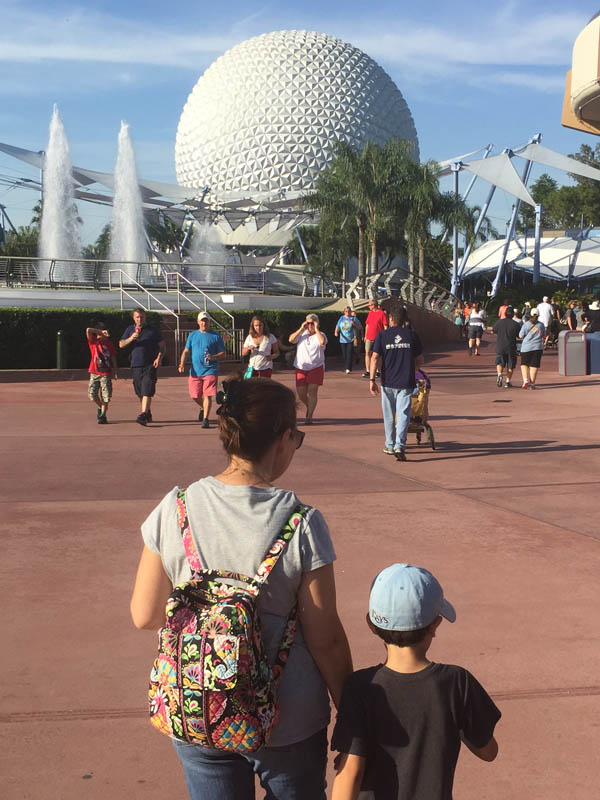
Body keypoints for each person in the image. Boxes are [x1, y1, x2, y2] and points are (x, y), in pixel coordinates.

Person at [130, 377, 353, 800]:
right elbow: (326, 641)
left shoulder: (174, 507)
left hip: (199, 705)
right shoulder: (300, 522)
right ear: (284, 438)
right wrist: (353, 713)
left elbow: (144, 614)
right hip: (288, 717)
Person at [331, 563, 500, 800]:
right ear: (435, 625)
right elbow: (488, 751)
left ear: (372, 625)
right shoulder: (456, 683)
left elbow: (350, 772)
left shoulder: (359, 687)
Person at [369, 305, 423, 462]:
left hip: (388, 381)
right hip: (406, 381)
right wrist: (411, 369)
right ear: (404, 320)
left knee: (389, 415)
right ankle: (400, 444)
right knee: (403, 414)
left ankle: (390, 444)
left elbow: (374, 358)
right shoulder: (412, 336)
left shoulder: (382, 335)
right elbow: (420, 360)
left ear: (390, 319)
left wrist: (372, 379)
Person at [178, 311, 226, 427]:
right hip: (195, 371)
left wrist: (214, 357)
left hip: (210, 370)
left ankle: (206, 419)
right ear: (198, 322)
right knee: (195, 395)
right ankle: (203, 408)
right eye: (202, 320)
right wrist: (181, 363)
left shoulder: (215, 336)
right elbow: (186, 351)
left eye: (206, 320)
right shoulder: (192, 335)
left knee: (208, 395)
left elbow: (222, 353)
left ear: (209, 322)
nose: (204, 323)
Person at [120, 308, 165, 425]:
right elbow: (121, 344)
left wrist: (159, 358)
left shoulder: (152, 330)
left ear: (145, 317)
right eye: (137, 317)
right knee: (140, 392)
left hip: (150, 364)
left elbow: (162, 347)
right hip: (136, 364)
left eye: (142, 317)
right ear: (133, 318)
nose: (140, 319)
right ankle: (147, 412)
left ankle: (143, 414)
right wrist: (131, 338)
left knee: (147, 389)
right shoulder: (130, 329)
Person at [289, 313, 328, 425]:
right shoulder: (302, 334)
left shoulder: (321, 335)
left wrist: (316, 329)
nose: (310, 325)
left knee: (312, 391)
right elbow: (291, 340)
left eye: (312, 323)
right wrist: (302, 327)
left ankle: (309, 416)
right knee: (301, 393)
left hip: (316, 366)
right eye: (308, 323)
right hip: (301, 367)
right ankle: (309, 406)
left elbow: (322, 342)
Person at [86, 321, 118, 424]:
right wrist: (100, 332)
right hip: (94, 372)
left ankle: (103, 415)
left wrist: (116, 370)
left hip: (106, 373)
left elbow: (113, 357)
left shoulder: (109, 344)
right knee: (92, 395)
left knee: (106, 395)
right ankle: (100, 406)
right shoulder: (93, 342)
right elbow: (88, 330)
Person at [492, 307, 520, 388]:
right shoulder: (515, 324)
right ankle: (508, 381)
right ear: (513, 315)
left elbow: (494, 330)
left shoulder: (499, 322)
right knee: (510, 365)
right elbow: (519, 335)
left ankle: (499, 374)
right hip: (511, 347)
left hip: (500, 346)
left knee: (499, 362)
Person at [519, 308, 545, 389]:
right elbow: (543, 335)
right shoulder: (541, 325)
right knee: (534, 366)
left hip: (526, 347)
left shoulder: (526, 324)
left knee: (524, 365)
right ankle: (532, 384)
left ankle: (525, 380)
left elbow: (520, 335)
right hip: (537, 347)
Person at [362, 299, 388, 378]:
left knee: (378, 355)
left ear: (373, 305)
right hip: (369, 337)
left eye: (369, 305)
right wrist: (366, 335)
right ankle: (368, 370)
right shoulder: (370, 313)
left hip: (378, 337)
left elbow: (385, 325)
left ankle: (378, 371)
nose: (368, 306)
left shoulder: (382, 313)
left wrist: (385, 336)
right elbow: (367, 325)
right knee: (367, 353)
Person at [335, 306, 361, 373]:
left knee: (349, 353)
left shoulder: (353, 318)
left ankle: (348, 368)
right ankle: (347, 366)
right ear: (344, 312)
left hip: (351, 339)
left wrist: (354, 324)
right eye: (346, 311)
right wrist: (336, 332)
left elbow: (359, 327)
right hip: (343, 339)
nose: (347, 312)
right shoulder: (341, 318)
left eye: (349, 311)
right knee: (344, 355)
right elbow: (338, 326)